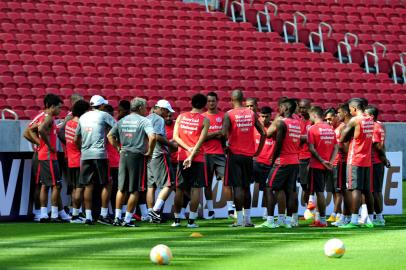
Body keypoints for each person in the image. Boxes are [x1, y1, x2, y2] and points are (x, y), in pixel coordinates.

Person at [108, 98, 156, 227]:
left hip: (124, 155)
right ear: (140, 108)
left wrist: (118, 147)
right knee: (135, 190)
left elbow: (110, 136)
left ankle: (117, 218)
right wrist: (150, 151)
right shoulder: (144, 121)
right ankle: (127, 219)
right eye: (145, 107)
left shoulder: (122, 120)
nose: (146, 110)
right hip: (137, 156)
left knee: (121, 188)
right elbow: (153, 137)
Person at [23, 94, 69, 222]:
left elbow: (30, 131)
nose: (60, 110)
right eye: (59, 108)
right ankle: (50, 214)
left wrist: (40, 143)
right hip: (46, 156)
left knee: (46, 185)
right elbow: (33, 131)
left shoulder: (47, 118)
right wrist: (45, 144)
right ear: (52, 106)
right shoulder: (46, 118)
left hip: (45, 155)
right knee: (53, 185)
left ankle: (47, 213)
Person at [222, 90, 265, 227]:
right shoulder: (251, 113)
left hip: (234, 155)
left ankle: (239, 220)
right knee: (246, 187)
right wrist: (258, 150)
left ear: (231, 100)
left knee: (238, 188)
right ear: (243, 100)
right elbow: (263, 133)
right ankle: (248, 220)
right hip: (249, 156)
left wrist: (225, 146)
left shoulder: (229, 114)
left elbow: (223, 134)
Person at [74, 95, 116, 225]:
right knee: (107, 183)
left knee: (88, 185)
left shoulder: (83, 117)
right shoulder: (104, 115)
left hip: (85, 154)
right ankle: (103, 214)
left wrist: (83, 149)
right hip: (100, 154)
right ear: (102, 105)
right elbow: (117, 128)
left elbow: (76, 139)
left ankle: (88, 216)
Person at [172, 93, 210, 228]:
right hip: (198, 158)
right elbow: (200, 142)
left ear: (191, 103)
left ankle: (176, 220)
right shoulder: (205, 120)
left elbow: (175, 137)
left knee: (180, 189)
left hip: (182, 157)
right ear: (204, 105)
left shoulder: (181, 117)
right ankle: (191, 222)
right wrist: (192, 155)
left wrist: (187, 151)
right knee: (196, 190)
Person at [264, 98, 301, 228]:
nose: (279, 109)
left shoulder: (280, 123)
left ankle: (269, 220)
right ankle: (287, 220)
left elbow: (268, 135)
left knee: (269, 187)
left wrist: (273, 160)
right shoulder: (297, 123)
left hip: (282, 161)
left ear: (285, 108)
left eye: (281, 107)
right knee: (289, 191)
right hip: (294, 161)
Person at [340, 98, 374, 228]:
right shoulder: (370, 119)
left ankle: (354, 220)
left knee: (355, 189)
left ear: (354, 109)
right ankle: (370, 219)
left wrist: (347, 129)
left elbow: (342, 138)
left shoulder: (355, 120)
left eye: (350, 110)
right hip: (366, 159)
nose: (349, 112)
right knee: (367, 190)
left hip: (355, 158)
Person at [147, 100, 178, 223]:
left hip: (149, 155)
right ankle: (155, 210)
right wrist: (171, 145)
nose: (167, 114)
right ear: (162, 109)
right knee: (169, 184)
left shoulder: (147, 118)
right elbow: (158, 137)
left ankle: (150, 214)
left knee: (151, 186)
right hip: (159, 154)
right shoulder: (159, 120)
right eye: (167, 111)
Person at [307, 106, 338, 227]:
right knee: (321, 191)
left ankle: (322, 220)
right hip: (328, 166)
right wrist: (330, 161)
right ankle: (319, 219)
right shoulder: (330, 128)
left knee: (319, 192)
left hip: (317, 165)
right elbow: (336, 147)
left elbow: (311, 148)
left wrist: (322, 160)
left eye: (310, 116)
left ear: (314, 115)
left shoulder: (312, 129)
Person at [202, 92, 229, 219]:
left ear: (217, 101)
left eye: (213, 101)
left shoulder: (223, 116)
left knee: (226, 182)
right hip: (205, 154)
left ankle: (230, 211)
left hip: (219, 153)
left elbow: (225, 134)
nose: (211, 103)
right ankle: (211, 211)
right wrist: (216, 134)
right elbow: (201, 138)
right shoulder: (202, 117)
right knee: (207, 184)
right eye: (209, 101)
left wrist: (212, 135)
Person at [65, 100, 90, 223]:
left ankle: (76, 213)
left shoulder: (68, 123)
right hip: (80, 159)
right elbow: (79, 141)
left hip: (70, 159)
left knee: (75, 188)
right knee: (80, 188)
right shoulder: (81, 124)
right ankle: (75, 215)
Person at [365, 105, 390, 226]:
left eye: (365, 114)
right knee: (377, 190)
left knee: (374, 191)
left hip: (374, 162)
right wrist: (384, 158)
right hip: (378, 161)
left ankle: (379, 217)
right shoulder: (380, 126)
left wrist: (383, 157)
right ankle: (379, 216)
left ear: (371, 116)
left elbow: (378, 146)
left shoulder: (374, 127)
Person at [251, 106, 275, 225]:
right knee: (246, 186)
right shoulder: (255, 127)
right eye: (262, 116)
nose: (264, 119)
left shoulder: (274, 128)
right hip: (255, 162)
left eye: (267, 116)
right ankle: (244, 212)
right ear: (259, 115)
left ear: (271, 116)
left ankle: (266, 211)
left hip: (269, 163)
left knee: (267, 189)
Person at [298, 99, 314, 218]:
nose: (302, 110)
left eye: (305, 107)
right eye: (300, 107)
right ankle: (307, 210)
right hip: (297, 157)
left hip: (309, 157)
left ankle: (310, 211)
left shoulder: (313, 122)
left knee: (308, 185)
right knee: (304, 185)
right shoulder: (297, 121)